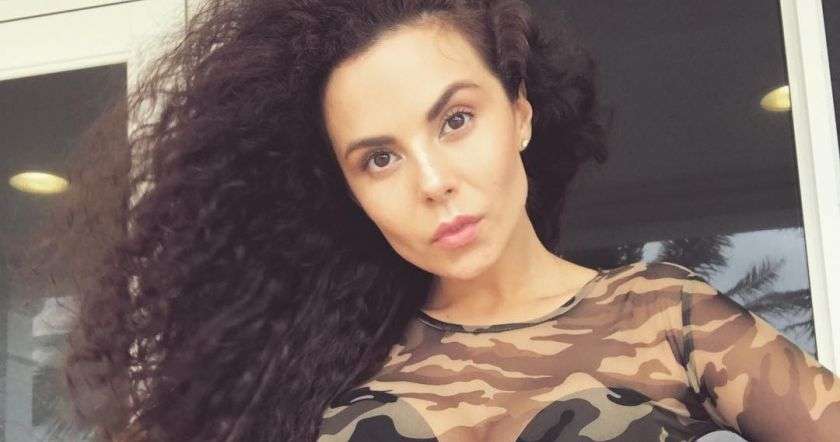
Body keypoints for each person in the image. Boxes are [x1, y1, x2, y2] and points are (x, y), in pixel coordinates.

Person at [16, 0, 838, 441]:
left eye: (455, 120)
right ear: (347, 188)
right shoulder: (303, 365)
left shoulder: (666, 316)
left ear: (520, 113)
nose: (434, 182)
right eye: (379, 158)